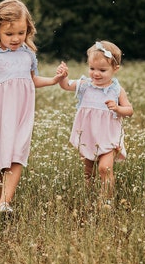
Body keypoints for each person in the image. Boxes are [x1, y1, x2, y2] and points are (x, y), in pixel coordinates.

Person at [0, 0, 65, 215]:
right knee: (0, 159)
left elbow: (32, 80)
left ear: (28, 30)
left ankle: (5, 203)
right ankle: (1, 204)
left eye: (21, 33)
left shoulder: (28, 54)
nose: (16, 39)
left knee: (18, 155)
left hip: (23, 113)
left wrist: (53, 80)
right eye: (9, 34)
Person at [57, 40, 133, 202]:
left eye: (102, 70)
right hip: (88, 136)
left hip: (109, 137)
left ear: (115, 69)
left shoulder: (116, 90)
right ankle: (89, 196)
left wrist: (118, 109)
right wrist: (63, 76)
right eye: (92, 68)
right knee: (88, 171)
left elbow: (129, 110)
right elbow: (65, 86)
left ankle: (106, 201)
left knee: (105, 168)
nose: (96, 73)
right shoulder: (85, 85)